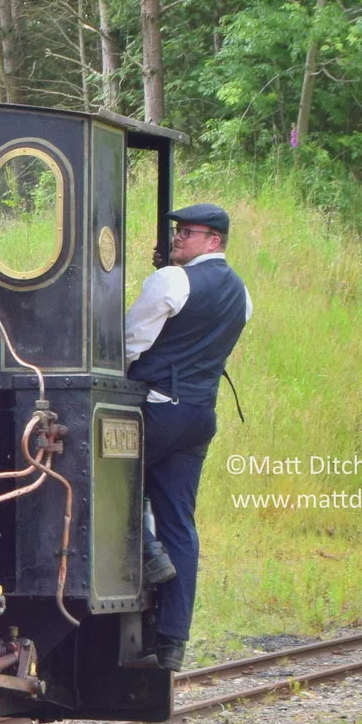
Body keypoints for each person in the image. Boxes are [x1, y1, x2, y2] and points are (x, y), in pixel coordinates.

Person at [123, 204, 251, 671]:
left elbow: (130, 340)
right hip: (200, 414)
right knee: (181, 522)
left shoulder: (173, 281)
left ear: (213, 241)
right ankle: (173, 641)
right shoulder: (243, 294)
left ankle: (147, 551)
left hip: (157, 407)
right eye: (178, 230)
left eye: (188, 232)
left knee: (87, 474)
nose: (178, 238)